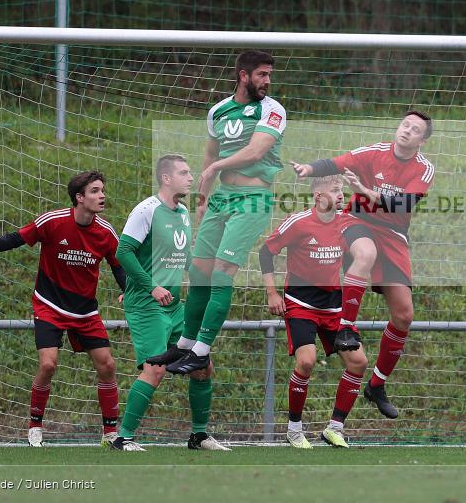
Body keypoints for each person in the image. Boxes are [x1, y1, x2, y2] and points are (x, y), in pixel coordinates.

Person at [0, 171, 126, 447]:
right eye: (95, 191)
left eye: (102, 190)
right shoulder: (53, 221)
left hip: (85, 311)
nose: (102, 195)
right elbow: (18, 237)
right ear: (79, 197)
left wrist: (127, 291)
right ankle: (35, 426)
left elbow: (119, 267)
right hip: (50, 305)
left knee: (107, 365)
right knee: (48, 365)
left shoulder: (105, 232)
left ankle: (110, 433)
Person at [147, 51, 285, 375]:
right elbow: (210, 155)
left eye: (269, 75)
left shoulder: (272, 109)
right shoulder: (218, 111)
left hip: (253, 198)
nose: (267, 81)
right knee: (198, 271)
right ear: (243, 76)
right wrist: (202, 199)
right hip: (221, 198)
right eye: (262, 74)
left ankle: (202, 350)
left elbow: (257, 150)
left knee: (223, 270)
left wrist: (216, 169)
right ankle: (183, 345)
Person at [290, 110, 435, 420]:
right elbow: (337, 163)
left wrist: (366, 191)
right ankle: (346, 328)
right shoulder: (374, 152)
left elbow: (404, 204)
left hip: (394, 234)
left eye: (415, 129)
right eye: (405, 125)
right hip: (357, 221)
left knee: (404, 315)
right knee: (364, 254)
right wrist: (308, 168)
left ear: (423, 140)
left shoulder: (423, 169)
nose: (407, 131)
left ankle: (377, 385)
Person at [110, 154, 229, 452]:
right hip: (147, 305)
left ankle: (198, 436)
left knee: (202, 366)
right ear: (166, 178)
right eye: (184, 173)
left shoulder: (183, 212)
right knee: (155, 368)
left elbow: (181, 254)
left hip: (176, 306)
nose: (191, 178)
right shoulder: (146, 210)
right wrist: (150, 287)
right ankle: (122, 439)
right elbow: (123, 252)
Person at [259, 176, 368, 449]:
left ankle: (334, 428)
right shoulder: (298, 222)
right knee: (306, 361)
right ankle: (294, 429)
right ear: (318, 196)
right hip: (301, 303)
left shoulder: (347, 223)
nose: (340, 195)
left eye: (341, 190)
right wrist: (272, 293)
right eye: (334, 190)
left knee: (358, 362)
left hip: (334, 305)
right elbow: (265, 252)